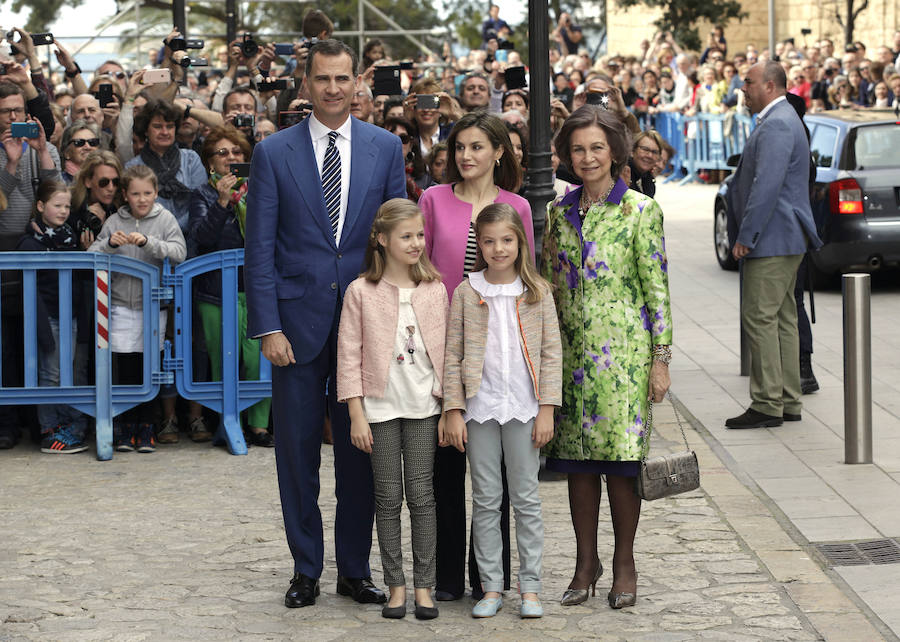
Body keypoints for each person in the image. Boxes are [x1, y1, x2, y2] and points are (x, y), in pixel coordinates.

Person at [243, 38, 406, 609]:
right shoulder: (274, 153)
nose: (334, 89)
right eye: (323, 80)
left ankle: (354, 569)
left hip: (363, 327)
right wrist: (267, 326)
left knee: (362, 452)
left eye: (343, 79)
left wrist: (388, 320)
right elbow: (258, 248)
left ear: (357, 82)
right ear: (305, 83)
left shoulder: (387, 149)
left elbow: (395, 245)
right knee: (296, 454)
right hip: (294, 327)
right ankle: (306, 568)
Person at [543, 105, 672, 610]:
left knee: (620, 466)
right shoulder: (560, 211)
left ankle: (624, 563)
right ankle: (584, 561)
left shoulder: (641, 210)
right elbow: (553, 287)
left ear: (616, 151)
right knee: (576, 466)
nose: (588, 157)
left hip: (624, 360)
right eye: (578, 149)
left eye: (597, 147)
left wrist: (660, 359)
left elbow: (657, 291)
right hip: (572, 359)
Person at [419, 111, 534, 602]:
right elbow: (418, 267)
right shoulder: (432, 200)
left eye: (476, 147)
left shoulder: (517, 207)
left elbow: (529, 279)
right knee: (446, 466)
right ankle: (446, 578)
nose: (466, 156)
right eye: (459, 147)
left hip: (499, 356)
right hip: (439, 346)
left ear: (499, 152)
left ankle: (490, 579)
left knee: (499, 480)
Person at [443, 203, 561, 619]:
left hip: (525, 409)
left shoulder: (538, 292)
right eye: (489, 241)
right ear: (480, 244)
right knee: (487, 499)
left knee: (527, 499)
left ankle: (530, 587)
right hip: (480, 409)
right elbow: (453, 353)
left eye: (506, 240)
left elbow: (551, 355)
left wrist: (547, 408)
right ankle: (491, 586)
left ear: (520, 242)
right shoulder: (465, 291)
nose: (498, 249)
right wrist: (453, 409)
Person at [337, 198, 447, 621]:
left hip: (423, 408)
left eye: (420, 235)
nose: (416, 243)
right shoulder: (361, 292)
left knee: (422, 496)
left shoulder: (436, 290)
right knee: (387, 498)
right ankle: (394, 585)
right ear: (381, 240)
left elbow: (448, 354)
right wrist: (356, 413)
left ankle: (424, 586)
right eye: (406, 236)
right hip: (379, 410)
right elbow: (348, 354)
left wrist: (449, 405)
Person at [725, 61, 822, 430]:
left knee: (760, 317)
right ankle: (787, 400)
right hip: (782, 235)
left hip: (773, 237)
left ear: (768, 85)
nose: (743, 89)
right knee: (782, 317)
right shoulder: (780, 118)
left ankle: (767, 402)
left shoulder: (778, 122)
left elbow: (766, 186)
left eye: (747, 83)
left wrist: (745, 237)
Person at [88, 164, 187, 453]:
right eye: (135, 194)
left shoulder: (165, 218)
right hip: (119, 306)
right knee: (124, 367)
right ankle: (125, 427)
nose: (142, 199)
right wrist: (109, 244)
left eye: (147, 193)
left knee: (150, 368)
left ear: (156, 193)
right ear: (125, 195)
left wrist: (150, 243)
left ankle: (147, 426)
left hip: (153, 306)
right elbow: (92, 254)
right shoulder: (114, 220)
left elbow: (180, 252)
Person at [188, 125, 273, 447]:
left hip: (255, 290)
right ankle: (229, 420)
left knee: (258, 359)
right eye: (222, 153)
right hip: (216, 292)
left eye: (237, 152)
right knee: (225, 359)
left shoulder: (260, 192)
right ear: (210, 162)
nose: (231, 158)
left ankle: (260, 426)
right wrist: (222, 201)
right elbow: (201, 238)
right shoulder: (203, 194)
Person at [16, 180, 89, 454]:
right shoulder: (30, 243)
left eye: (67, 206)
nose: (63, 211)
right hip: (48, 317)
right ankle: (49, 431)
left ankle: (71, 426)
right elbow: (30, 288)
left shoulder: (70, 237)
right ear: (40, 206)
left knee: (72, 372)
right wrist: (42, 326)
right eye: (57, 205)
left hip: (72, 314)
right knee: (51, 374)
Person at [126, 98, 206, 234]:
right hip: (150, 239)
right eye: (157, 126)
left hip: (193, 238)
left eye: (170, 126)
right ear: (146, 130)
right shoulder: (133, 167)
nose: (165, 132)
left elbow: (200, 202)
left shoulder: (191, 159)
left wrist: (173, 230)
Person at [70, 150, 124, 244]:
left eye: (115, 182)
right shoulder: (69, 208)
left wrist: (105, 226)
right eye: (104, 182)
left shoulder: (123, 209)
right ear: (88, 182)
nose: (111, 188)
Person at [626, 130, 664, 197]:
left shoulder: (647, 179)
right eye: (645, 149)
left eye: (655, 152)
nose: (650, 155)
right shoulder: (622, 174)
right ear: (632, 151)